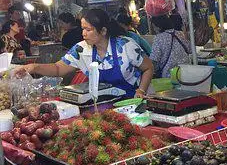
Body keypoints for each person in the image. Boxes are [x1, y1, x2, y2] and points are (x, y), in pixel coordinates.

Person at [15, 9, 154, 99]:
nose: (83, 33)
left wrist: (141, 91)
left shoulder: (125, 45)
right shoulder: (81, 49)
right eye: (82, 29)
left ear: (103, 31)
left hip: (130, 102)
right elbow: (58, 68)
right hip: (101, 104)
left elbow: (148, 68)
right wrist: (33, 67)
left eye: (88, 29)